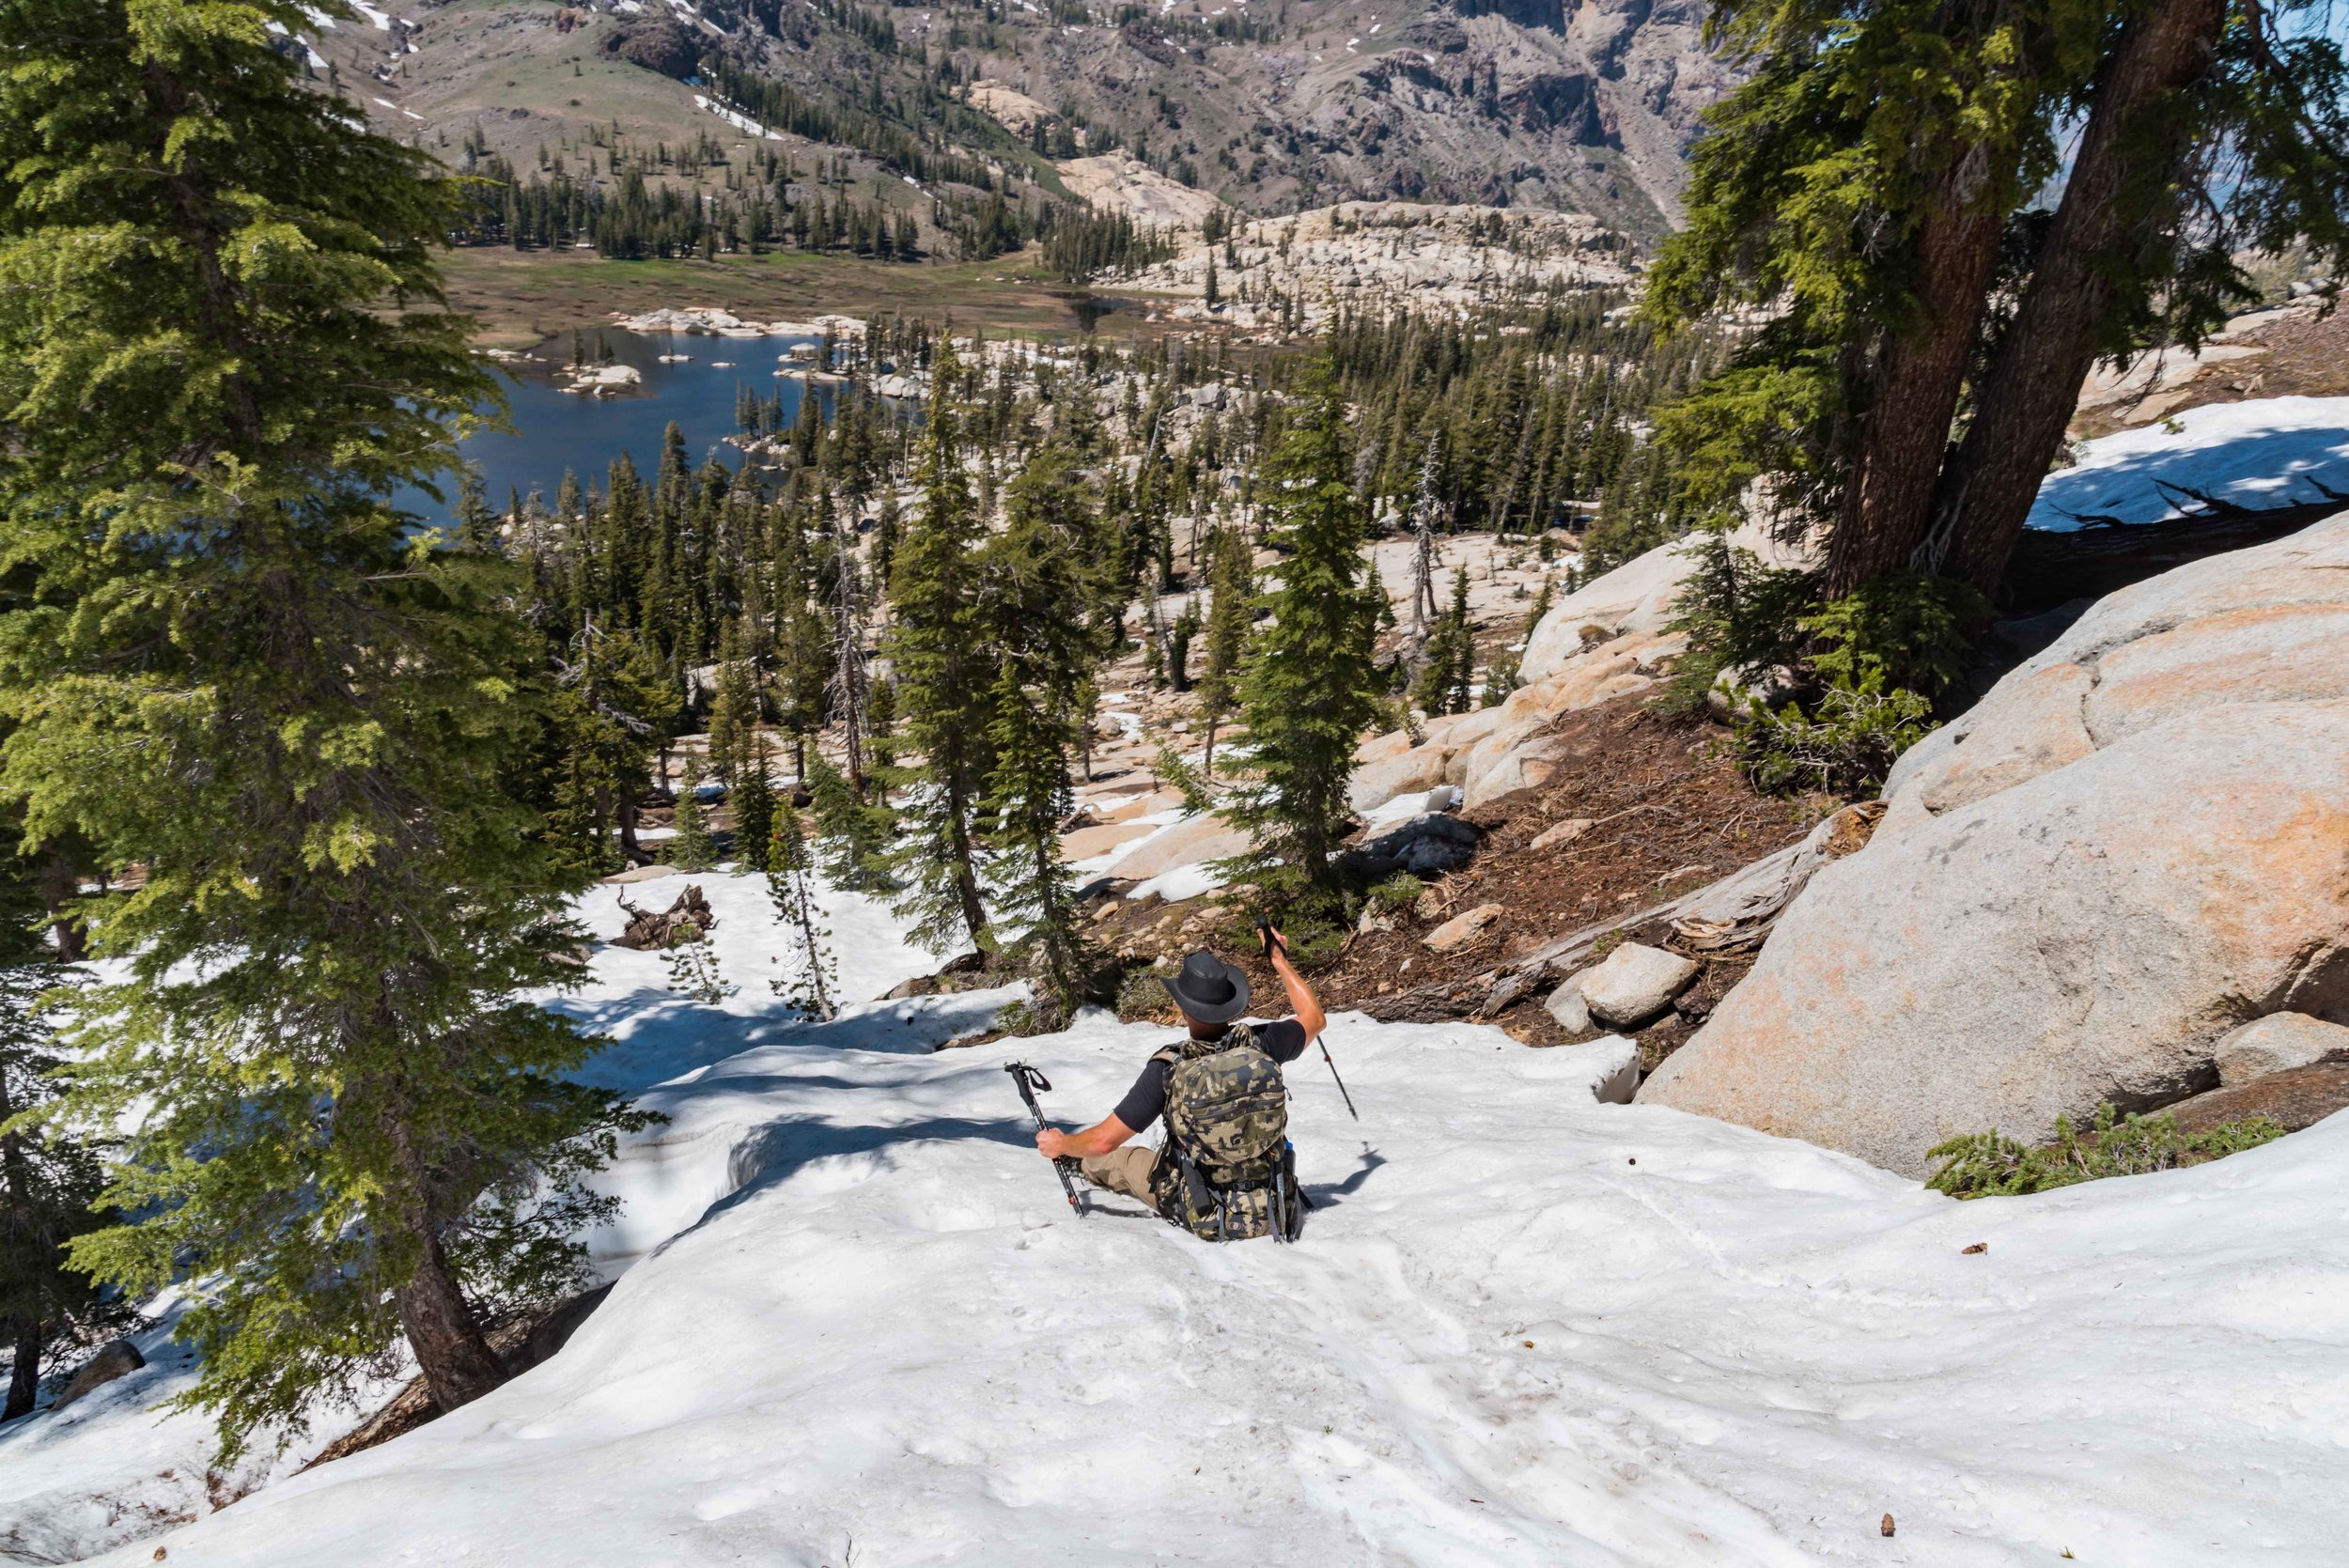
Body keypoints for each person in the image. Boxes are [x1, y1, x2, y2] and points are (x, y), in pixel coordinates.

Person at [1034, 927, 1327, 1238]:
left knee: (1124, 1161)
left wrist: (1061, 1143)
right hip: (1276, 1205)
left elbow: (1103, 1141)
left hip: (1205, 1212)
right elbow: (1314, 1017)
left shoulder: (1168, 1067)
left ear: (1185, 1009)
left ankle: (1076, 1163)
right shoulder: (1262, 1044)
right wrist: (1278, 959)